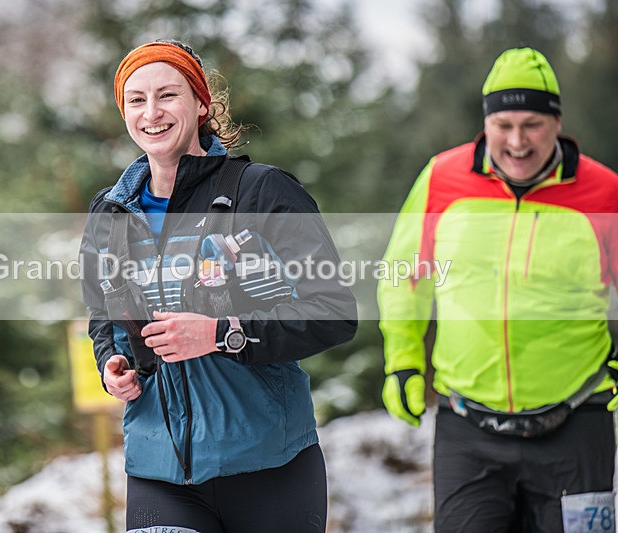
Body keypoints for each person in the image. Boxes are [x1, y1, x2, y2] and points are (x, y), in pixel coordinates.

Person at [80, 39, 357, 533]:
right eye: (136, 100)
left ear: (201, 104)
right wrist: (111, 364)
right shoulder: (110, 212)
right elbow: (104, 313)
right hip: (157, 471)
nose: (152, 112)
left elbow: (333, 310)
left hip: (270, 468)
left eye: (168, 95)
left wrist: (220, 333)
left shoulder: (263, 191)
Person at [378, 46, 618, 532]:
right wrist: (402, 360)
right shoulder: (443, 178)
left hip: (578, 422)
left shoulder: (604, 191)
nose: (517, 141)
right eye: (503, 124)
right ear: (485, 122)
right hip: (468, 429)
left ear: (557, 122)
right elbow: (403, 274)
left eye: (532, 124)